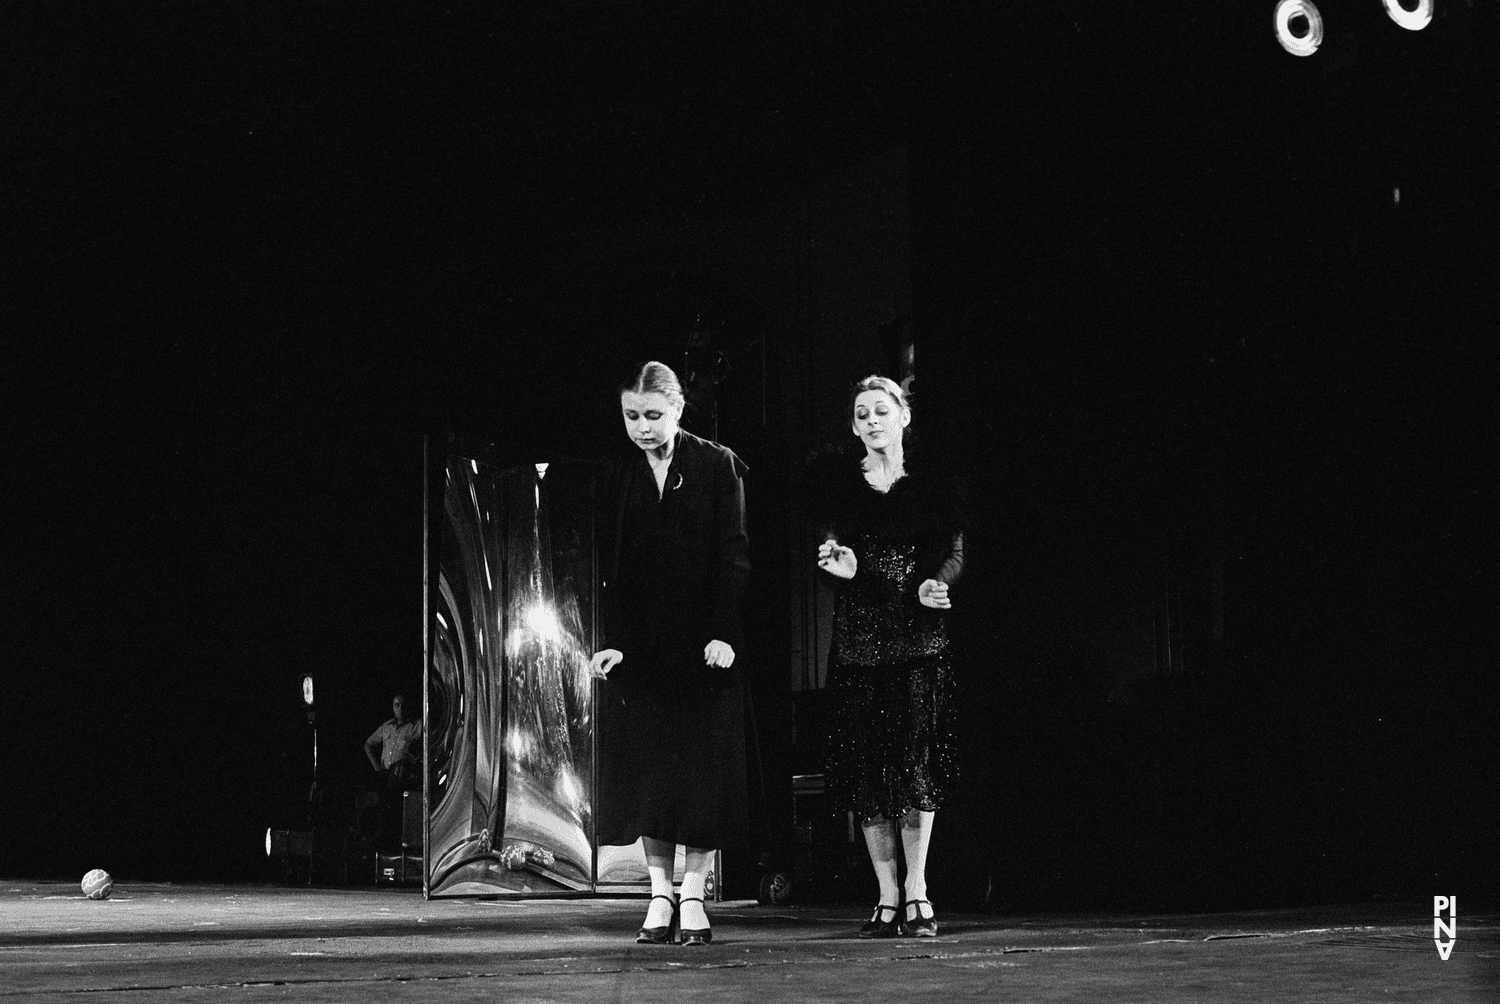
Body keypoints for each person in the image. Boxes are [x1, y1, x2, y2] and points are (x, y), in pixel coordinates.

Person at [591, 361, 752, 947]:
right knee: (651, 774)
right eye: (632, 416)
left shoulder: (717, 465)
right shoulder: (620, 474)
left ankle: (694, 893)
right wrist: (610, 640)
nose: (642, 427)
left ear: (679, 409)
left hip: (704, 645)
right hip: (642, 648)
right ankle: (659, 892)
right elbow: (610, 567)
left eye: (653, 416)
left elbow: (733, 556)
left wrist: (725, 634)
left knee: (701, 773)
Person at [809, 375, 964, 938]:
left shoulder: (931, 486)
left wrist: (935, 583)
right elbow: (830, 554)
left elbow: (953, 548)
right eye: (861, 414)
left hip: (918, 640)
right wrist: (837, 568)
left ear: (902, 417)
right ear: (854, 427)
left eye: (881, 410)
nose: (872, 420)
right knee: (870, 773)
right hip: (860, 644)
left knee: (916, 768)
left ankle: (919, 889)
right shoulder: (841, 489)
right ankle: (886, 894)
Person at [365, 693, 423, 850]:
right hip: (385, 776)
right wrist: (377, 767)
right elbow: (368, 744)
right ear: (393, 707)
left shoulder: (416, 726)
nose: (400, 708)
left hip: (403, 779)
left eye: (403, 705)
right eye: (397, 705)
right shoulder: (387, 727)